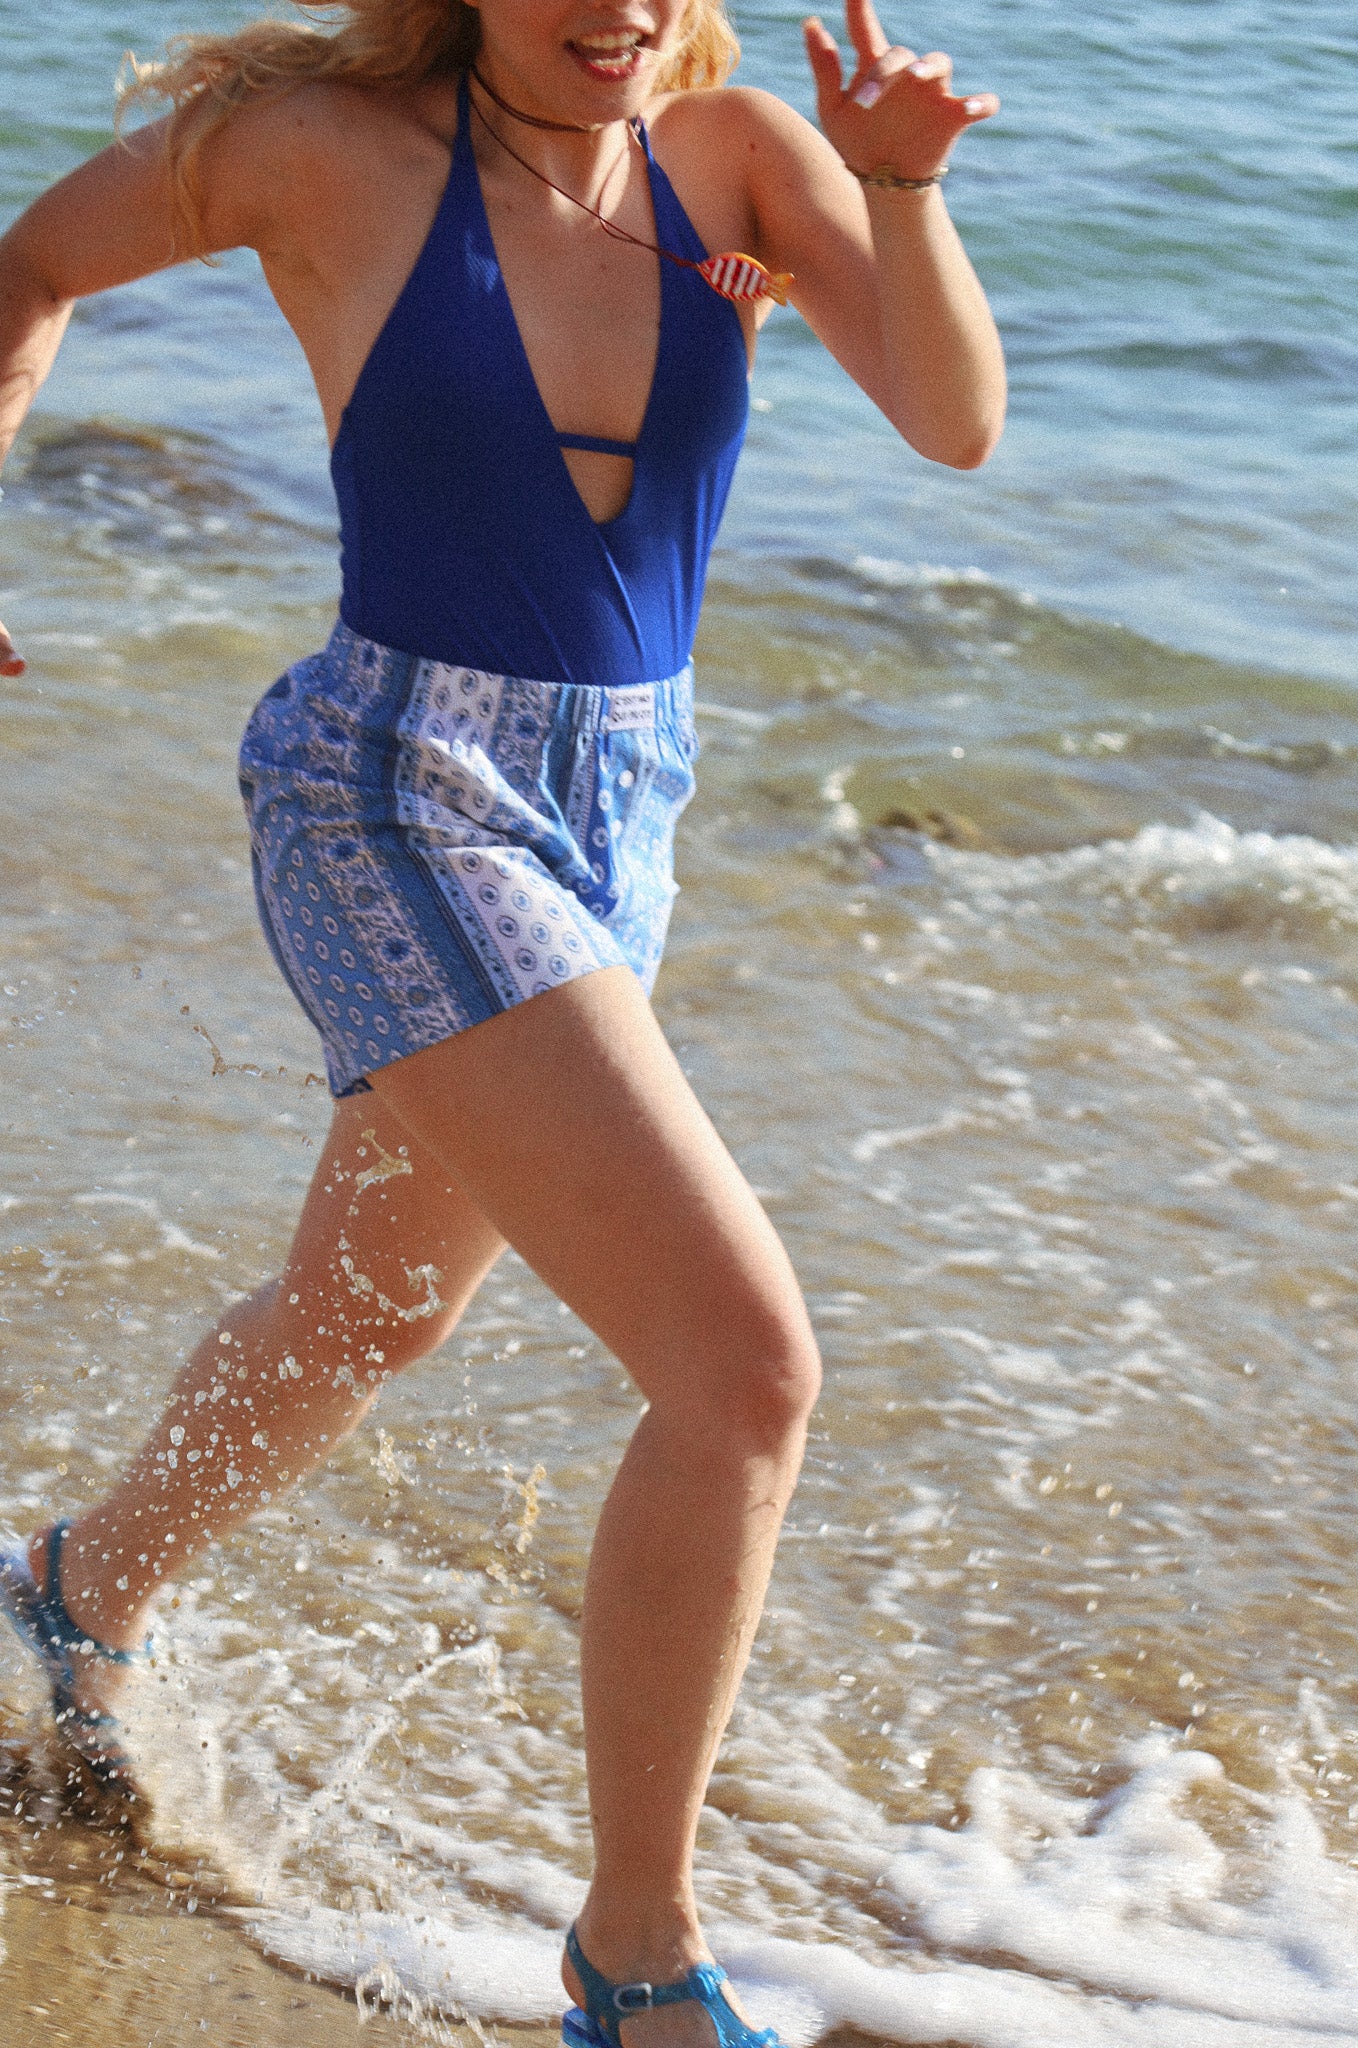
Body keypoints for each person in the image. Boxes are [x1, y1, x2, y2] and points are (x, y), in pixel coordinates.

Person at [0, 0, 1004, 2039]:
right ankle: (633, 1960)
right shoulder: (320, 146)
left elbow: (950, 420)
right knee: (743, 1370)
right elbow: (27, 265)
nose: (616, 10)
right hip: (391, 788)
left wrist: (899, 188)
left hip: (624, 806)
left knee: (369, 1308)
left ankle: (72, 1593)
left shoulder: (736, 160)